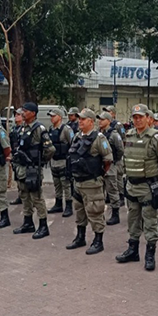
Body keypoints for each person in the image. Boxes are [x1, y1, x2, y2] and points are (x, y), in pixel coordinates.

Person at [116, 104, 158, 271]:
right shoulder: (129, 135)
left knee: (150, 222)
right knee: (133, 220)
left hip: (148, 188)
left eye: (141, 116)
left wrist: (154, 181)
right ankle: (133, 251)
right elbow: (125, 159)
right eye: (135, 117)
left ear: (148, 118)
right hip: (132, 186)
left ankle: (150, 255)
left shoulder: (156, 138)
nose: (137, 120)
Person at [65, 109, 112, 254]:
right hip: (78, 182)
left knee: (95, 211)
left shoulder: (99, 138)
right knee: (79, 211)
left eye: (83, 119)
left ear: (91, 121)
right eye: (79, 118)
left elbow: (108, 159)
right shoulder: (77, 136)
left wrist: (98, 174)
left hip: (92, 182)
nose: (80, 121)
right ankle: (80, 237)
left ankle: (98, 241)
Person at [13, 102, 56, 239]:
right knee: (24, 196)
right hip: (21, 168)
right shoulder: (22, 128)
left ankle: (43, 226)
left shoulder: (39, 129)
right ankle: (28, 223)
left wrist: (40, 162)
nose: (23, 113)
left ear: (33, 113)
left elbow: (50, 149)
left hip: (32, 169)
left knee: (36, 197)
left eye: (25, 111)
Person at [47, 108, 74, 217]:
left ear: (60, 117)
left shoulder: (66, 129)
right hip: (54, 161)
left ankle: (68, 206)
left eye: (53, 116)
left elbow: (73, 144)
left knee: (66, 184)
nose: (51, 118)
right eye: (51, 116)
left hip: (64, 161)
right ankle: (58, 204)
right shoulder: (50, 129)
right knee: (56, 184)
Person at [98, 112, 124, 225]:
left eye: (102, 119)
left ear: (108, 121)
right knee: (100, 190)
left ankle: (115, 214)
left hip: (111, 165)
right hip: (100, 165)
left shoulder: (114, 134)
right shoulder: (99, 134)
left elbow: (120, 149)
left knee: (113, 190)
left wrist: (114, 161)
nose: (100, 121)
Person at [102, 105, 126, 206]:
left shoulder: (118, 125)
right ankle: (109, 196)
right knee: (109, 179)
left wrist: (117, 157)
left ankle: (120, 196)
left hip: (117, 157)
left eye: (108, 111)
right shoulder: (103, 128)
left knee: (118, 178)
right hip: (109, 158)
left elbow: (122, 140)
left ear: (113, 114)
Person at [9, 108, 24, 205]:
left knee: (23, 178)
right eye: (15, 115)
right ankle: (20, 196)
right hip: (15, 155)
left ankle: (25, 197)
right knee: (17, 178)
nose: (16, 116)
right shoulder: (14, 128)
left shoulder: (25, 128)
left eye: (18, 115)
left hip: (22, 156)